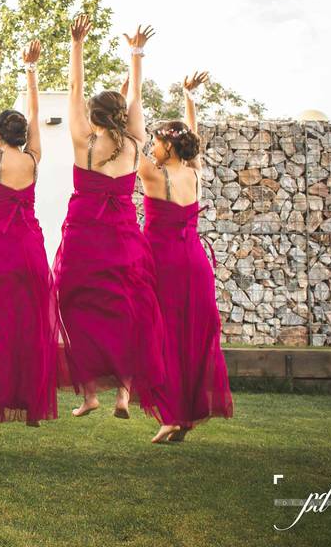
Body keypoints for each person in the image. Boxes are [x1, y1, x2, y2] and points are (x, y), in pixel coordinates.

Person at [51, 15, 165, 419]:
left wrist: (77, 44)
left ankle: (89, 394)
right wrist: (136, 54)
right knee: (129, 307)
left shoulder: (85, 140)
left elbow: (74, 88)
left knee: (76, 305)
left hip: (85, 232)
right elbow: (137, 97)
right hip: (123, 234)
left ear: (93, 115)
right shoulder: (134, 140)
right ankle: (123, 393)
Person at [0, 38, 67, 425]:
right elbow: (37, 114)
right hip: (28, 245)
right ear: (23, 134)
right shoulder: (33, 159)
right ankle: (31, 408)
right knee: (30, 322)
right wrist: (31, 70)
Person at [137, 70, 234, 442]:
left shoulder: (154, 176)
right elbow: (193, 140)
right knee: (189, 337)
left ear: (169, 147)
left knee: (160, 338)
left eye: (158, 143)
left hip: (163, 265)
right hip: (194, 262)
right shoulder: (193, 172)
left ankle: (171, 415)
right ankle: (184, 416)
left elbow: (131, 141)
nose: (153, 149)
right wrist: (189, 99)